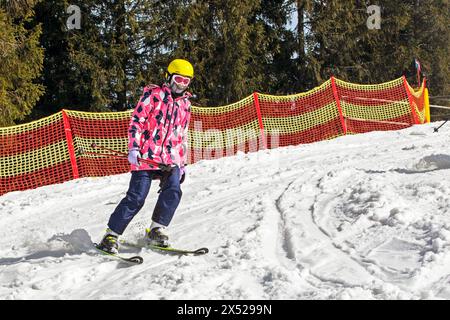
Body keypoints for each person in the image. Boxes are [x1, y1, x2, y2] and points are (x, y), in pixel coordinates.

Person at [97, 58, 194, 254]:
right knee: (137, 197)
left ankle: (157, 229)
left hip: (170, 158)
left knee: (174, 190)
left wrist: (182, 163)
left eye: (185, 82)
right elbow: (136, 122)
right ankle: (111, 235)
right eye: (177, 79)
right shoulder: (154, 96)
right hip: (146, 155)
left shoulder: (186, 105)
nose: (180, 85)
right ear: (168, 77)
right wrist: (134, 148)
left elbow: (181, 135)